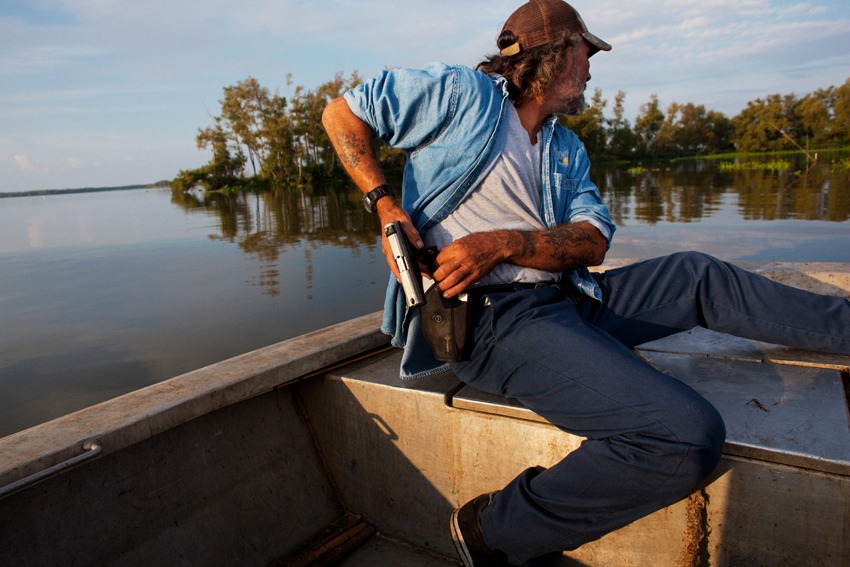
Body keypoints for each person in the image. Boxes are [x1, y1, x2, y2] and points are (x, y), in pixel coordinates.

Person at [322, 1, 850, 565]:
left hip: (571, 297)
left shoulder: (565, 147)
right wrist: (385, 205)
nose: (593, 68)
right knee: (684, 435)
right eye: (588, 52)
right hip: (490, 323)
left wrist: (504, 242)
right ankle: (494, 530)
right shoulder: (459, 94)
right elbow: (342, 113)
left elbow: (593, 241)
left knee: (697, 273)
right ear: (558, 53)